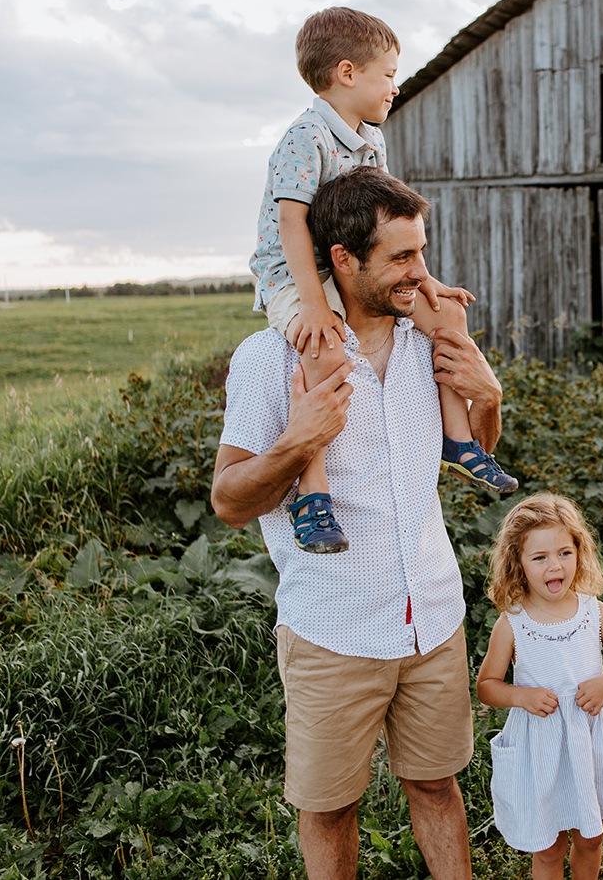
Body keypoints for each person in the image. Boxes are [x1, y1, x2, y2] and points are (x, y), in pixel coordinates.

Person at [212, 167, 499, 880]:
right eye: (401, 258)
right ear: (344, 259)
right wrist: (298, 439)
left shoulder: (425, 342)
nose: (420, 274)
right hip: (335, 629)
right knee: (331, 808)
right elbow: (228, 499)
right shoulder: (270, 359)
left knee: (436, 782)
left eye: (421, 252)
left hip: (433, 617)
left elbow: (476, 451)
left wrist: (488, 394)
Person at [249, 6, 515, 554]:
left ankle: (459, 441)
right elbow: (291, 224)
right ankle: (312, 493)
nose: (395, 87)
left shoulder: (370, 140)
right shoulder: (305, 139)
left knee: (448, 316)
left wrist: (427, 279)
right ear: (348, 73)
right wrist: (314, 305)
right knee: (323, 348)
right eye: (389, 74)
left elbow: (393, 225)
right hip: (295, 272)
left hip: (355, 266)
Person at [476, 493, 603, 880]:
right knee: (550, 845)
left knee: (591, 837)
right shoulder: (513, 623)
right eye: (539, 558)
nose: (555, 565)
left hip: (588, 737)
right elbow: (486, 685)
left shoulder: (593, 611)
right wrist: (521, 696)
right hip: (542, 746)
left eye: (564, 553)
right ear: (518, 564)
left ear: (578, 552)